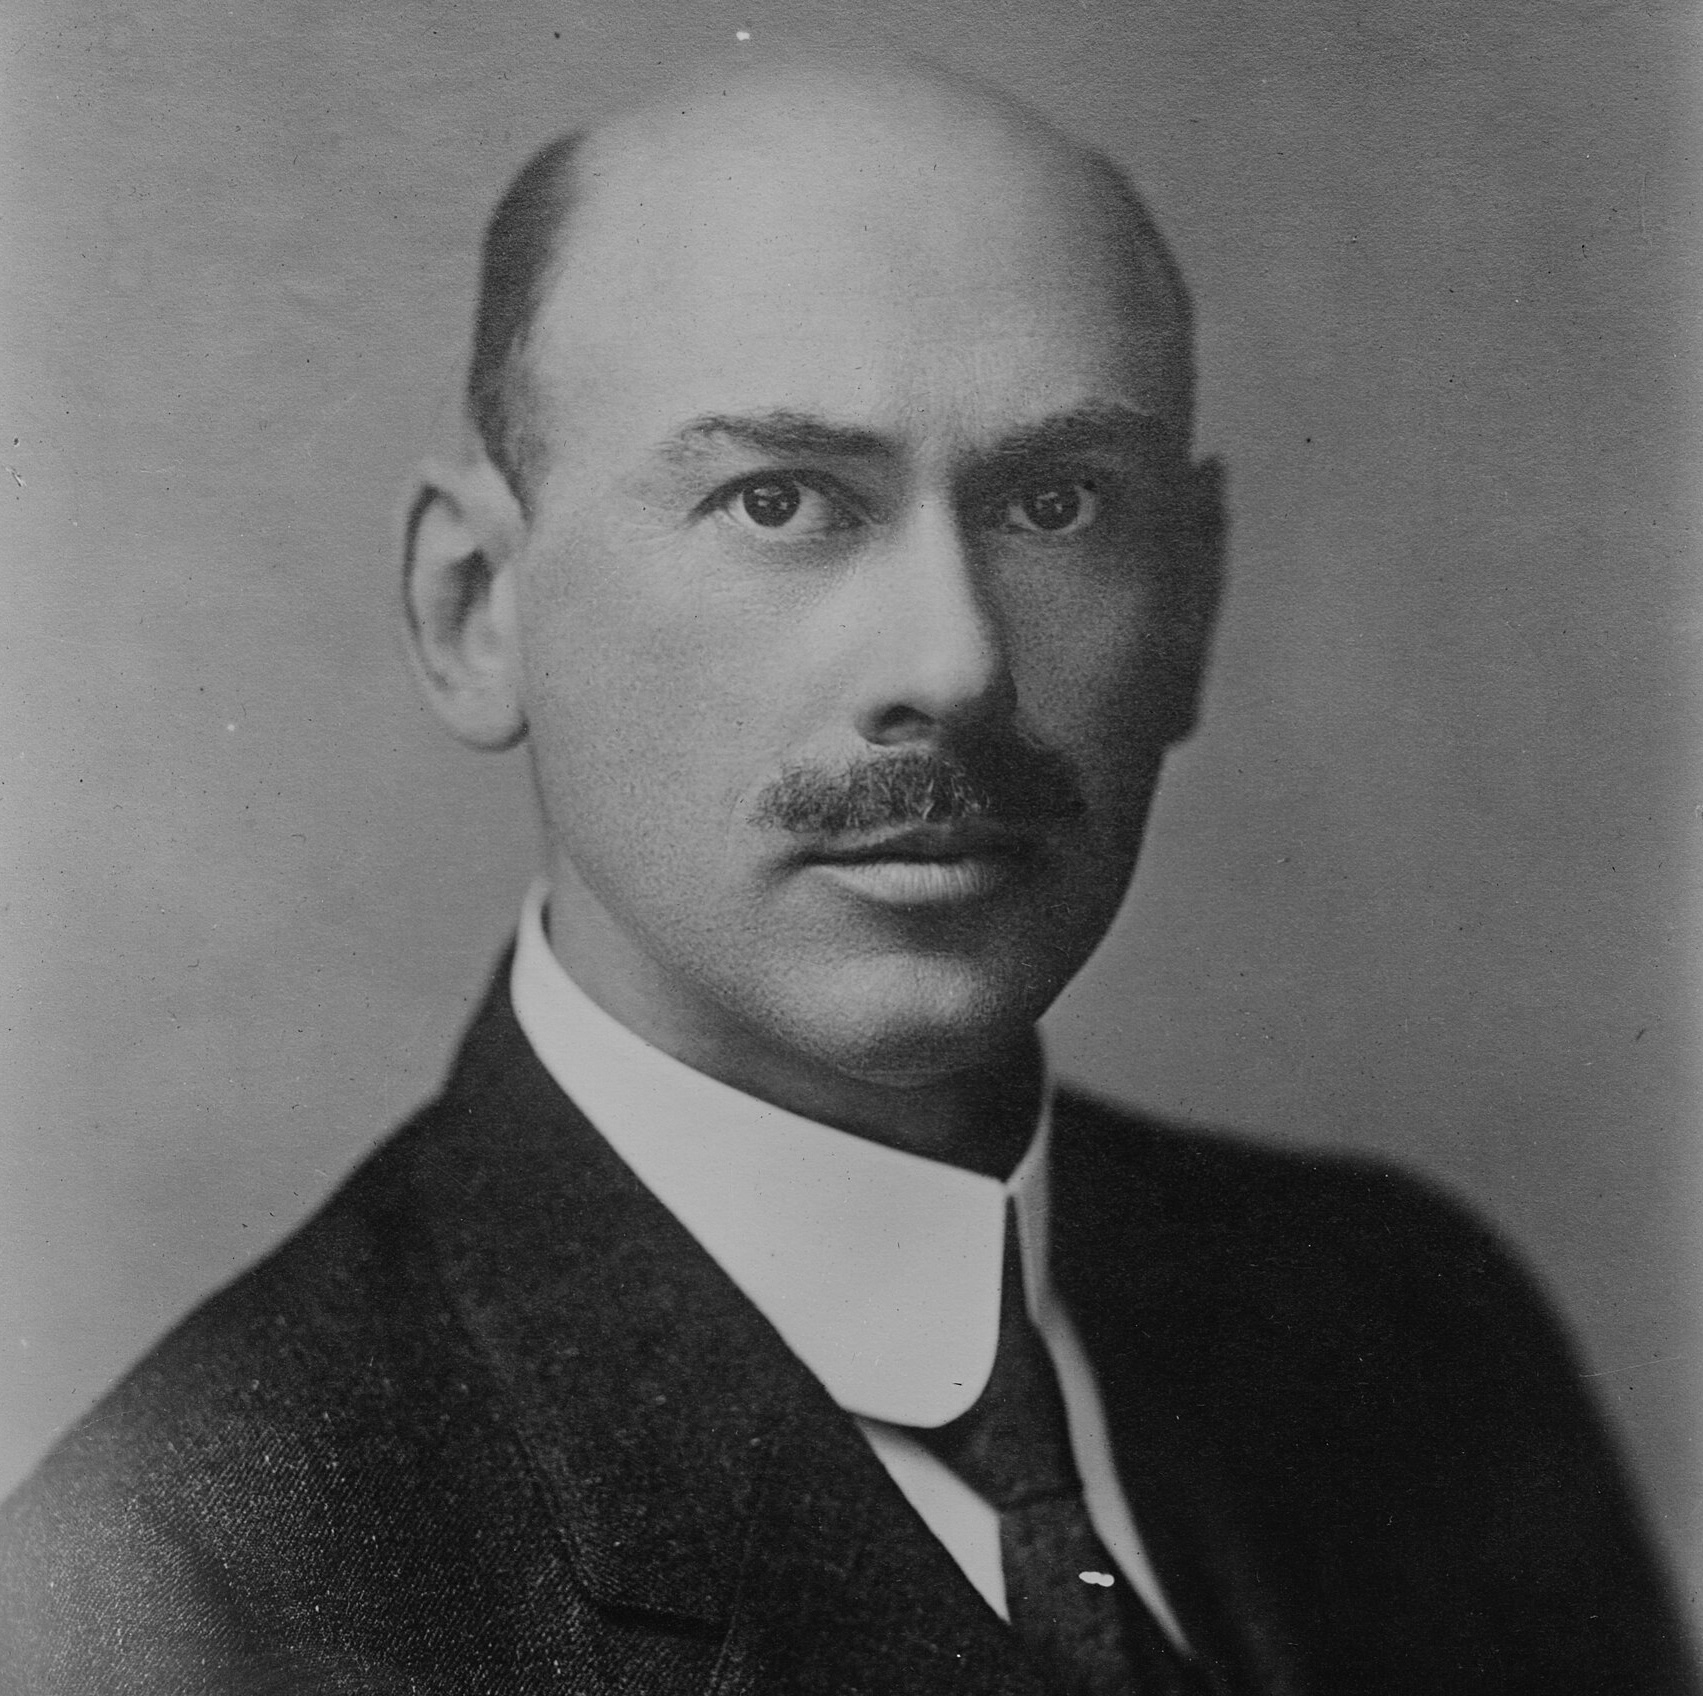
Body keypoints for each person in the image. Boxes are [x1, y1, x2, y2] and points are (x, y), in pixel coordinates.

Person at [1, 55, 1692, 1696]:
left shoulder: (1409, 1333)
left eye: (1054, 503)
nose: (952, 664)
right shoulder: (177, 1602)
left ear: (1193, 604)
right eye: (781, 498)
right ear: (474, 610)